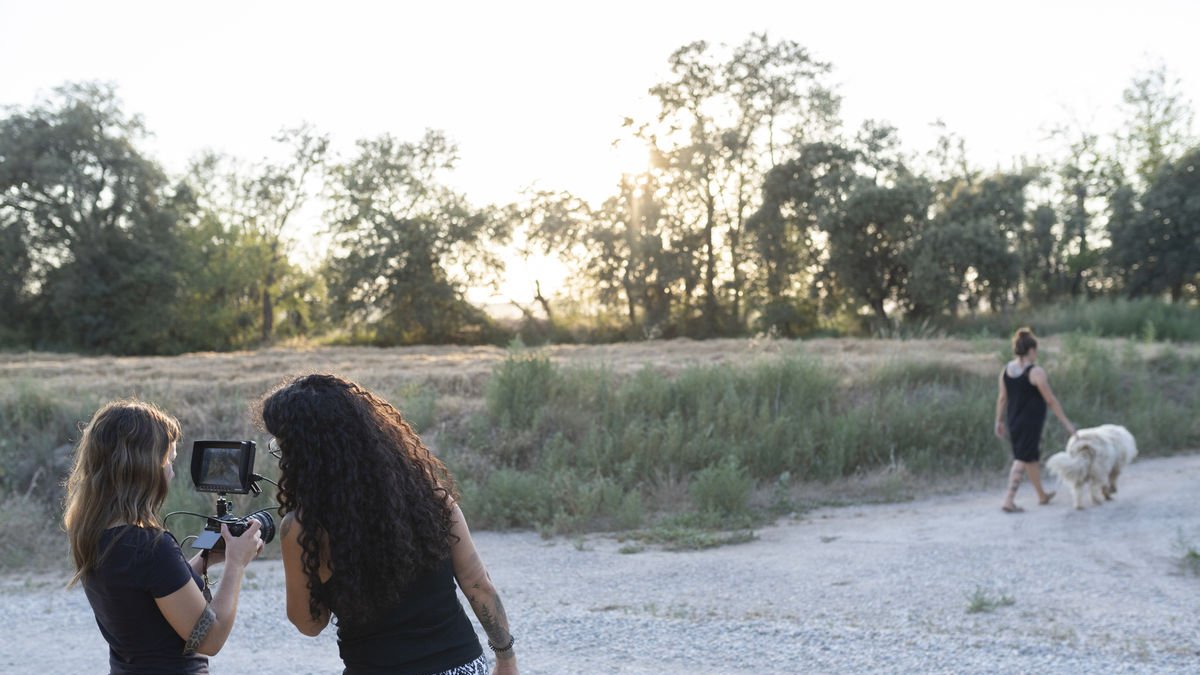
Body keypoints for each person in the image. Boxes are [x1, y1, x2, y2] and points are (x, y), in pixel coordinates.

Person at [260, 374, 519, 675]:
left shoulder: (304, 530)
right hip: (461, 666)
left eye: (281, 447)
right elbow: (479, 585)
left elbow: (309, 624)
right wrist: (506, 658)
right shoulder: (432, 499)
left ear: (304, 455)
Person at [63, 399, 264, 674]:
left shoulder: (94, 533)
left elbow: (154, 593)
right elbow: (210, 638)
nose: (170, 470)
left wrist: (203, 561)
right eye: (168, 460)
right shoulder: (150, 547)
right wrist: (236, 565)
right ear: (144, 468)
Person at [993, 328, 1077, 512]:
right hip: (1030, 422)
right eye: (1035, 351)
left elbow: (1002, 398)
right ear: (1031, 350)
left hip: (1013, 420)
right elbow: (1050, 400)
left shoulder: (1006, 371)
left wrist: (998, 421)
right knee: (1022, 458)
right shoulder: (1036, 372)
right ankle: (1009, 499)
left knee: (1030, 458)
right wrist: (1067, 424)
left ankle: (1041, 495)